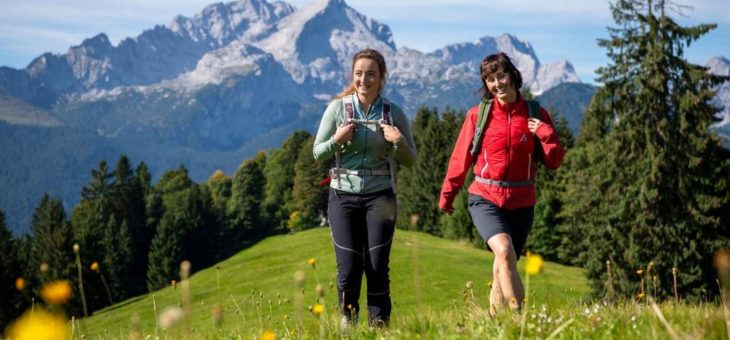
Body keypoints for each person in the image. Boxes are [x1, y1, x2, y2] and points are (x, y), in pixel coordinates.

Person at [439, 52, 565, 313]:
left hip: (522, 202)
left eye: (501, 76)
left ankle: (494, 324)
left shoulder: (536, 114)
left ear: (513, 76)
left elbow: (554, 161)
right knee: (505, 252)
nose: (497, 84)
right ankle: (520, 321)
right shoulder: (478, 116)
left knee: (503, 266)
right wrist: (448, 196)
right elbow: (460, 158)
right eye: (490, 79)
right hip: (485, 197)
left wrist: (546, 133)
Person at [313, 48, 416, 328]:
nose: (364, 79)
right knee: (348, 268)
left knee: (377, 266)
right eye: (359, 73)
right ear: (352, 75)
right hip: (342, 196)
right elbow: (317, 152)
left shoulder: (393, 112)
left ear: (381, 77)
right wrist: (337, 138)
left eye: (371, 74)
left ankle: (379, 327)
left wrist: (397, 140)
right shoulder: (337, 108)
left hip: (380, 196)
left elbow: (411, 160)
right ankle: (348, 320)